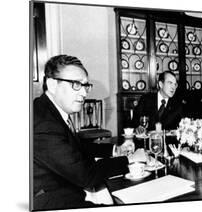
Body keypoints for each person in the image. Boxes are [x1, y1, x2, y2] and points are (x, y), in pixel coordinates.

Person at [33, 55, 145, 210]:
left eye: (85, 86)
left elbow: (76, 147)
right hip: (49, 200)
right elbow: (85, 175)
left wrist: (114, 150)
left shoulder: (50, 111)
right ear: (52, 84)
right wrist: (130, 160)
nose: (85, 93)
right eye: (76, 84)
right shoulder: (43, 124)